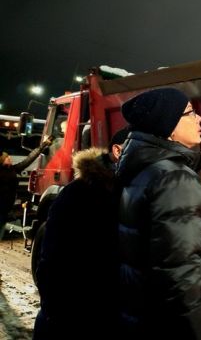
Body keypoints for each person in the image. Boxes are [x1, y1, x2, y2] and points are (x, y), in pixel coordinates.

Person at [117, 87, 201, 340]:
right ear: (168, 127)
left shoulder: (146, 172)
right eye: (190, 113)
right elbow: (179, 273)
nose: (199, 118)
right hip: (177, 327)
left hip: (150, 320)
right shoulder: (174, 178)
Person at [32, 127, 130, 340]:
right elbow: (52, 262)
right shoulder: (81, 192)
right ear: (118, 151)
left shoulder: (127, 190)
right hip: (74, 320)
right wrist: (55, 313)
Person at [0, 136, 54, 240]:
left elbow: (29, 159)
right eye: (7, 157)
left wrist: (42, 146)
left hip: (5, 208)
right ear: (2, 160)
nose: (10, 158)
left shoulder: (13, 169)